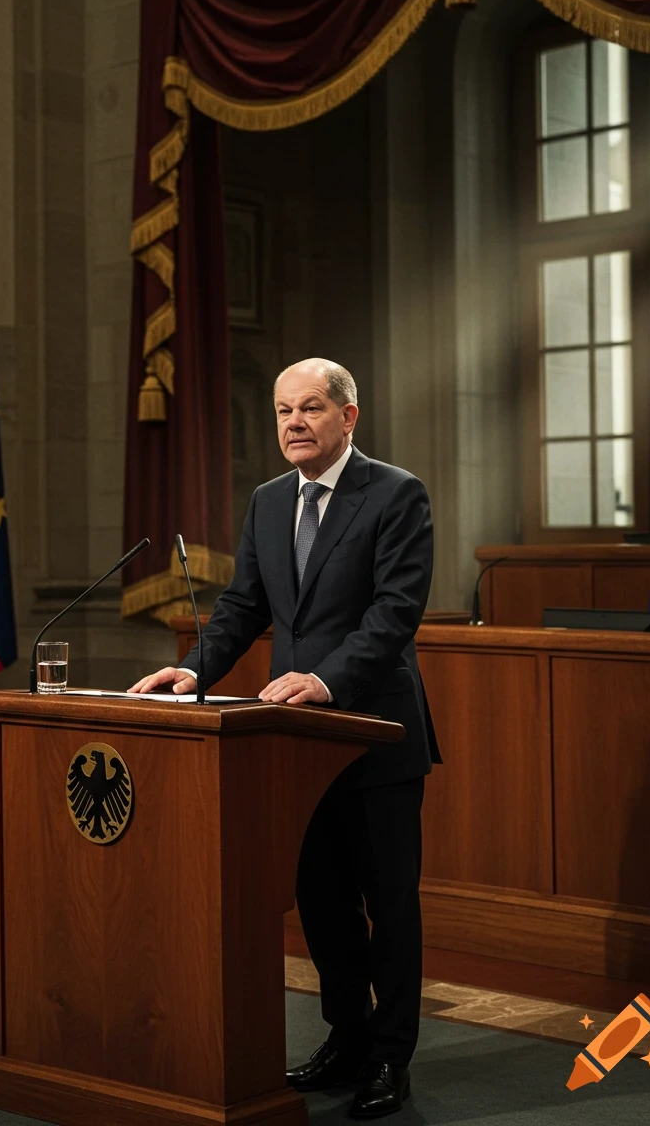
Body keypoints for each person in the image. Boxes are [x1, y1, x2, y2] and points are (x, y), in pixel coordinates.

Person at [129, 357, 440, 1119]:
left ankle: (391, 1059)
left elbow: (394, 615)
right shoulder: (269, 501)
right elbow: (241, 607)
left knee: (389, 904)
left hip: (373, 732)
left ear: (348, 417)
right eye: (280, 411)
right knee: (322, 902)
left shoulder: (396, 494)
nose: (293, 423)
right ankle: (348, 1035)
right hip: (292, 745)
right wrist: (192, 673)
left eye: (309, 409)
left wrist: (325, 681)